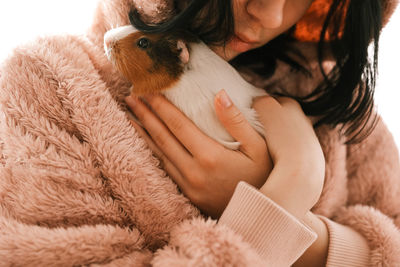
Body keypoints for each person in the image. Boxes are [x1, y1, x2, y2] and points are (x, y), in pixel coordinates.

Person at [124, 0, 400, 266]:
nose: (271, 16)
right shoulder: (84, 98)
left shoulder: (342, 109)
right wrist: (290, 190)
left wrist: (293, 185)